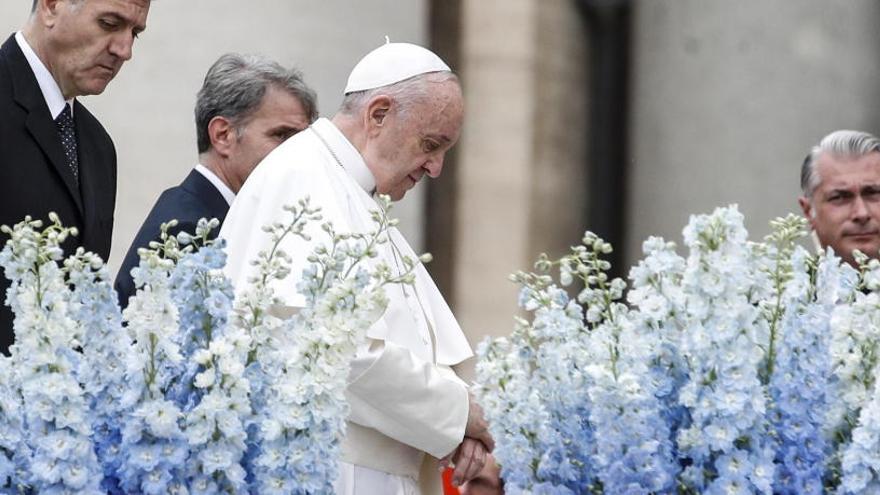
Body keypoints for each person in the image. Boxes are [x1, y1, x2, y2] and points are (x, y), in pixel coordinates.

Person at [219, 42, 493, 493]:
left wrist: (461, 421)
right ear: (378, 114)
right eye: (431, 144)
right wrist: (458, 412)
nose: (436, 167)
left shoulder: (351, 190)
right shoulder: (302, 177)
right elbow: (332, 346)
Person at [0, 0, 150, 354]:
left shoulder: (98, 146)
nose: (124, 50)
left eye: (135, 33)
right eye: (109, 23)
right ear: (51, 6)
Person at [114, 53, 316, 307]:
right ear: (223, 135)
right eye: (282, 135)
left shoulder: (225, 214)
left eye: (303, 140)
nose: (298, 152)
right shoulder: (186, 231)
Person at [798, 130, 880, 267]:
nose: (861, 213)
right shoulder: (778, 286)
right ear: (808, 211)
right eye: (840, 197)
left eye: (873, 193)